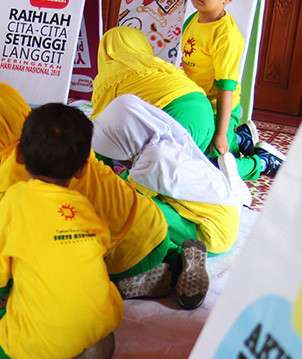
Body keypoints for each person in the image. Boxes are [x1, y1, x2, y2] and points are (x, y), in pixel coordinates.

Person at [0, 81, 210, 310]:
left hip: (127, 256)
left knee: (73, 287)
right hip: (150, 222)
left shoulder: (13, 172)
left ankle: (159, 279)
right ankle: (176, 255)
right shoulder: (54, 131)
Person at [0, 103, 122, 359]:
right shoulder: (84, 206)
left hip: (44, 335)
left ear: (17, 154)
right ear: (82, 170)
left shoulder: (15, 199)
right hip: (100, 320)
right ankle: (86, 340)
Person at [92, 94, 249, 257]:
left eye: (115, 153)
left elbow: (120, 196)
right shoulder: (162, 144)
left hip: (211, 237)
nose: (118, 160)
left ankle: (173, 255)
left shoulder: (153, 159)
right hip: (223, 218)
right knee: (126, 189)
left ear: (127, 140)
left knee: (127, 205)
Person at [181, 0, 284, 178]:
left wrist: (220, 133)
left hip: (219, 108)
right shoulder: (193, 20)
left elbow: (226, 89)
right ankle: (241, 139)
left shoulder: (225, 36)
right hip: (199, 105)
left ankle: (263, 162)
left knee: (214, 170)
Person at [91, 26, 216, 155]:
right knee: (187, 169)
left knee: (145, 171)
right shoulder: (157, 64)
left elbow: (99, 130)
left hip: (177, 117)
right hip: (206, 114)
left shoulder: (110, 75)